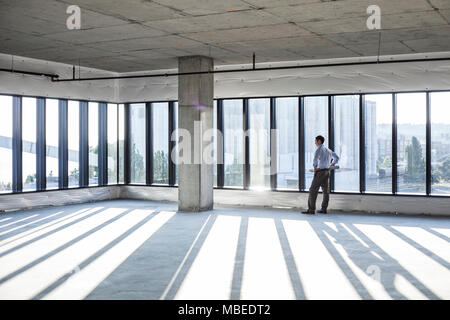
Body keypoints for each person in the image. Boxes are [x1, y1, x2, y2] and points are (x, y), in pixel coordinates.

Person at [302, 135, 339, 215]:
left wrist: (315, 167)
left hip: (320, 172)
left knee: (312, 190)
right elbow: (336, 157)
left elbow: (315, 159)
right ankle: (324, 209)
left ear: (319, 141)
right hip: (327, 171)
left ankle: (311, 210)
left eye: (315, 141)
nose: (315, 142)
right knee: (326, 191)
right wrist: (332, 163)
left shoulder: (319, 149)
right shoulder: (328, 150)